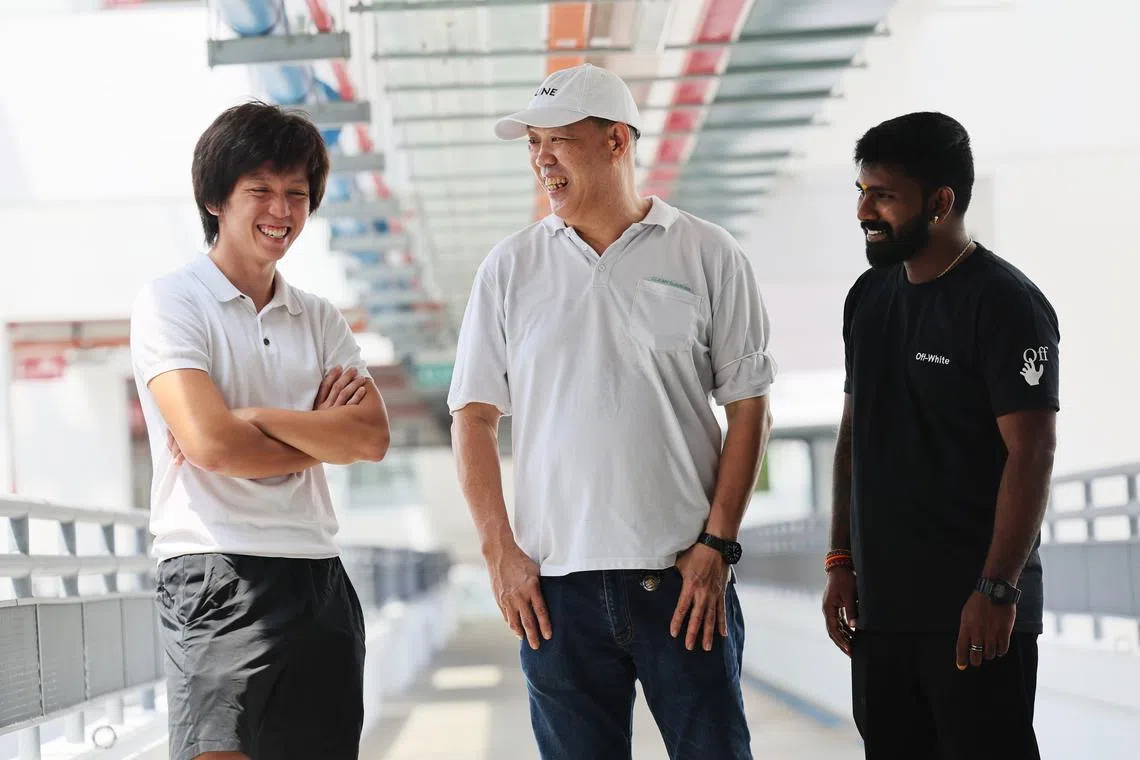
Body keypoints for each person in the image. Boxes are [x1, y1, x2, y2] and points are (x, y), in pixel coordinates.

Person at [447, 63, 776, 760]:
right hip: (554, 595)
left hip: (684, 583)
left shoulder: (708, 253)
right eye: (533, 143)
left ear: (617, 142)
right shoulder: (509, 270)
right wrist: (499, 553)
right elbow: (473, 417)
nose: (542, 159)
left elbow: (749, 409)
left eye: (559, 140)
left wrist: (718, 545)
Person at [129, 101, 390, 760]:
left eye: (297, 194)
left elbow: (369, 439)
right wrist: (313, 431)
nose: (282, 210)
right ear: (216, 199)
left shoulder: (320, 317)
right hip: (217, 575)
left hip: (320, 578)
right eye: (262, 191)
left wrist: (260, 420)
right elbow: (212, 446)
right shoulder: (172, 302)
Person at [823, 111, 1059, 759]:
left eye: (884, 195)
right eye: (861, 191)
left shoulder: (1004, 302)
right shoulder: (868, 297)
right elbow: (853, 440)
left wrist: (997, 590)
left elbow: (1032, 452)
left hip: (972, 614)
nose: (864, 210)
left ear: (940, 202)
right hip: (883, 612)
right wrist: (840, 560)